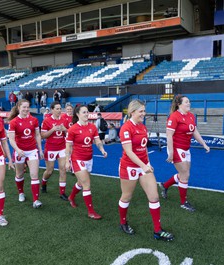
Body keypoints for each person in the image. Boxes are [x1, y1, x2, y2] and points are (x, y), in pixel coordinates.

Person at [117, 99, 174, 241]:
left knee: (154, 196)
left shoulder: (142, 127)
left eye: (144, 110)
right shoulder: (126, 128)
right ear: (132, 112)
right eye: (141, 111)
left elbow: (143, 148)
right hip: (129, 167)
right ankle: (123, 222)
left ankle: (157, 231)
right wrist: (143, 165)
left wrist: (147, 162)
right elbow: (129, 151)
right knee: (126, 196)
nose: (144, 113)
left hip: (143, 166)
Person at [158, 95, 210, 212]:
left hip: (186, 149)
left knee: (184, 174)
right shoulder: (174, 117)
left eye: (189, 102)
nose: (189, 104)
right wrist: (171, 153)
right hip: (176, 148)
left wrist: (204, 144)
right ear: (179, 104)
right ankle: (183, 202)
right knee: (185, 174)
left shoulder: (191, 116)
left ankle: (165, 185)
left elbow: (194, 131)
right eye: (186, 102)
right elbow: (169, 135)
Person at [65, 105, 107, 220]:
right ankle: (91, 212)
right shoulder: (73, 129)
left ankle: (71, 197)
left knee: (80, 182)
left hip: (89, 159)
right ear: (78, 114)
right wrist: (67, 161)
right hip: (77, 159)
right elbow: (68, 146)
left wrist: (102, 150)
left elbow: (97, 140)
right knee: (87, 184)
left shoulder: (92, 127)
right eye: (84, 112)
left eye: (87, 112)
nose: (86, 114)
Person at [8, 99, 44, 208]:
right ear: (18, 107)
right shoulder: (13, 122)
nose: (26, 109)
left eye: (28, 107)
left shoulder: (34, 120)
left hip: (32, 151)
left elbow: (37, 135)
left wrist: (40, 150)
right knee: (19, 174)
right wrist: (18, 150)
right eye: (24, 107)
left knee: (34, 175)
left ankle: (36, 200)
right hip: (20, 152)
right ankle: (21, 193)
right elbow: (11, 139)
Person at [40, 101, 70, 200]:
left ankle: (62, 193)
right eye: (57, 109)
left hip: (62, 148)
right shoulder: (47, 121)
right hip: (51, 149)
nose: (59, 110)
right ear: (52, 110)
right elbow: (43, 136)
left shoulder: (64, 120)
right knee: (49, 171)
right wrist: (52, 130)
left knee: (63, 169)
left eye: (60, 108)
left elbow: (69, 135)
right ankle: (44, 182)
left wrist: (65, 130)